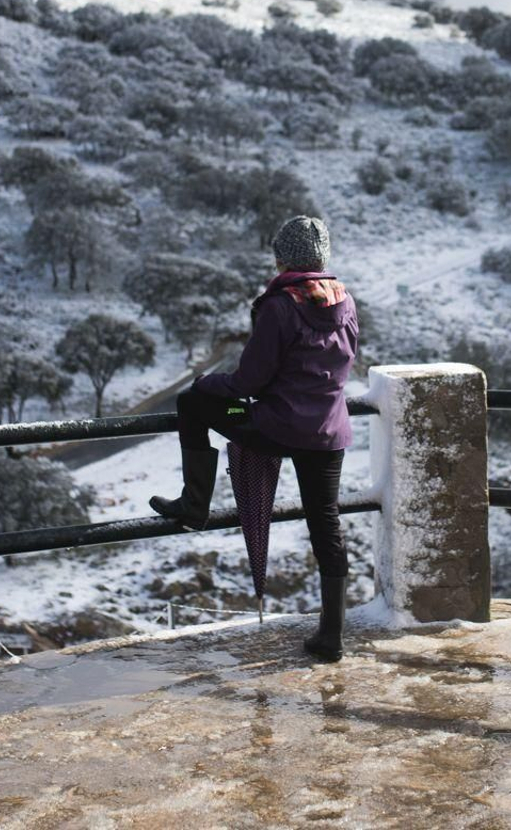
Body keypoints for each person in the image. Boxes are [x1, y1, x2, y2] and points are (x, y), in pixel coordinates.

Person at [150, 215, 359, 662]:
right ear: (323, 258)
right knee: (326, 525)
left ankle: (194, 504)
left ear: (283, 259)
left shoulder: (280, 305)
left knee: (193, 404)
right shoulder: (345, 300)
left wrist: (209, 383)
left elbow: (250, 379)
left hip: (274, 427)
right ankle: (332, 636)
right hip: (328, 432)